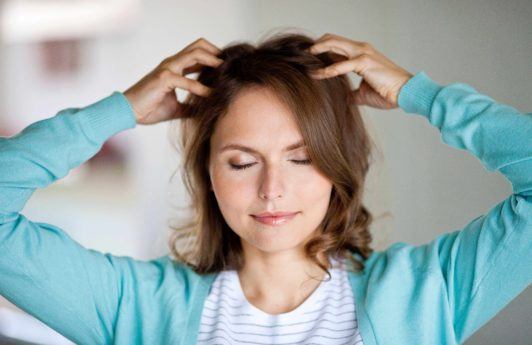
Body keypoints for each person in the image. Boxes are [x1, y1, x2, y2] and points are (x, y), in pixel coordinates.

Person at [0, 32, 530, 345]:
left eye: (301, 158)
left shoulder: (427, 293)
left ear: (337, 166)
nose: (272, 189)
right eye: (242, 162)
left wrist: (423, 94)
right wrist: (119, 110)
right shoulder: (134, 306)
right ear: (209, 174)